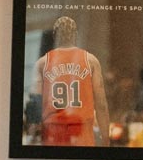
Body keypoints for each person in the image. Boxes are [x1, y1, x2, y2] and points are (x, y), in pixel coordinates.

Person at [32, 14, 104, 148]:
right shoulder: (90, 60)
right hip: (81, 133)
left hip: (53, 132)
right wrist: (106, 138)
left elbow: (36, 103)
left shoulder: (42, 63)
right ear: (75, 34)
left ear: (55, 35)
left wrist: (34, 133)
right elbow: (101, 104)